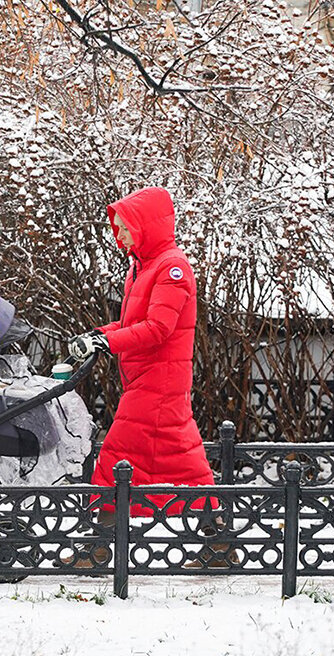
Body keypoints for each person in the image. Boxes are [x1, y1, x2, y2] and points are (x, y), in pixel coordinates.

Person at [67, 187, 234, 567]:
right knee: (184, 464)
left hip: (158, 384)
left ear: (146, 227)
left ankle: (98, 549)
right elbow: (133, 324)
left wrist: (108, 344)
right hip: (149, 381)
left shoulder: (172, 269)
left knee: (115, 458)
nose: (120, 236)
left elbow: (158, 328)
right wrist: (100, 336)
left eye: (125, 228)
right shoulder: (144, 266)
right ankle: (220, 543)